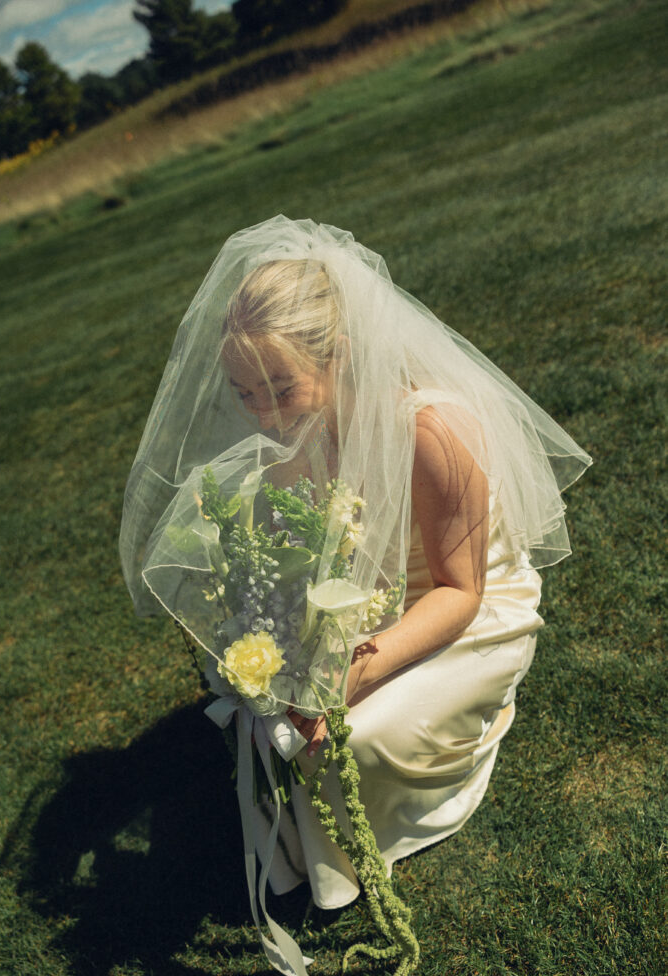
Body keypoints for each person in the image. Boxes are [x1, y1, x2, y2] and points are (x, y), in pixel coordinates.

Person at [120, 215, 592, 934]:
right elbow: (305, 566)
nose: (264, 415)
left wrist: (352, 674)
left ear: (340, 356)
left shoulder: (432, 431)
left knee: (356, 737)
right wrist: (279, 640)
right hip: (363, 605)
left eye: (280, 389)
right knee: (268, 714)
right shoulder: (285, 444)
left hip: (461, 612)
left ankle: (470, 732)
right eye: (245, 393)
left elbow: (461, 591)